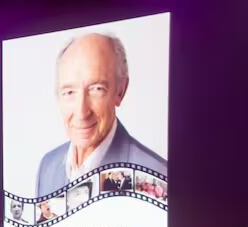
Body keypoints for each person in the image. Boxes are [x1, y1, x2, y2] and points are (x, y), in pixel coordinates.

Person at [36, 33, 167, 198]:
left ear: (120, 90)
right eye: (69, 92)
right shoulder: (47, 167)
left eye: (96, 89)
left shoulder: (157, 176)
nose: (82, 113)